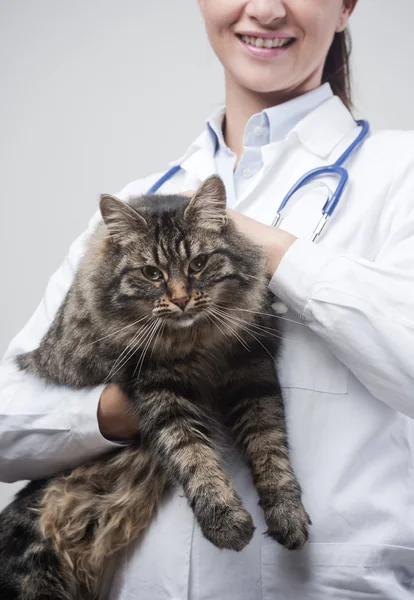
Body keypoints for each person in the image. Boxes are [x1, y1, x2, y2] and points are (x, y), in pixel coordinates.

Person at [1, 0, 414, 597]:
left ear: (347, 6)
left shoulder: (400, 174)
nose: (266, 10)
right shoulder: (139, 201)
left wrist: (272, 248)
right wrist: (117, 412)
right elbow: (11, 422)